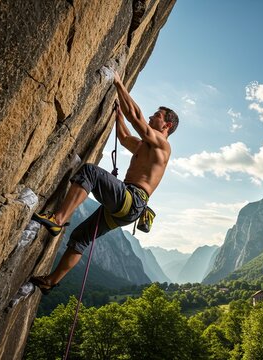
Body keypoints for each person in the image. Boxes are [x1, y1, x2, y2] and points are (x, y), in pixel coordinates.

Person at [29, 68, 179, 294]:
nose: (150, 117)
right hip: (127, 207)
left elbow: (136, 118)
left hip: (132, 199)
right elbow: (125, 137)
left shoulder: (163, 146)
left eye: (156, 116)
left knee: (90, 172)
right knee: (80, 238)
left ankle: (58, 219)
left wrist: (119, 84)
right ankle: (50, 282)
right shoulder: (145, 146)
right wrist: (118, 115)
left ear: (166, 125)